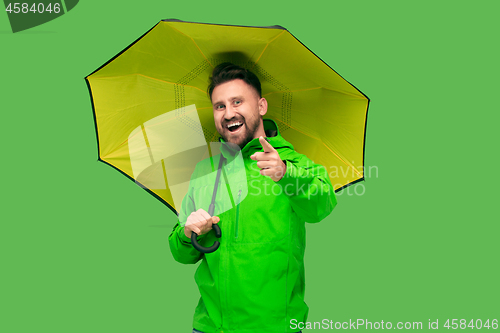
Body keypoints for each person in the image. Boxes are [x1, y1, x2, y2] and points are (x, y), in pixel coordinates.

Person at [169, 63, 336, 333]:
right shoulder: (205, 170)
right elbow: (180, 253)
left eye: (237, 102)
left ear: (261, 106)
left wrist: (286, 174)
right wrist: (188, 232)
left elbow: (321, 206)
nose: (228, 113)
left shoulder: (292, 163)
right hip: (210, 327)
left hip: (274, 327)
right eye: (219, 106)